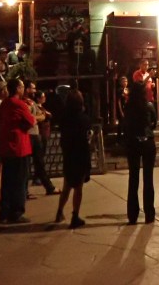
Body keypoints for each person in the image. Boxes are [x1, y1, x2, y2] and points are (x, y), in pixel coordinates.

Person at [0, 77, 34, 224]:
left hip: (7, 146)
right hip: (19, 147)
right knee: (20, 181)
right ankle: (17, 212)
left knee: (7, 181)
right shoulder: (19, 104)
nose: (24, 89)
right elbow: (31, 121)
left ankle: (4, 211)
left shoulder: (4, 103)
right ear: (18, 89)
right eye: (22, 87)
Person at [55, 88, 91, 229]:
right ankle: (75, 215)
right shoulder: (84, 119)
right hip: (80, 154)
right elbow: (87, 138)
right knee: (78, 187)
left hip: (69, 154)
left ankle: (59, 211)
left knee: (67, 185)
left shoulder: (64, 118)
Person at [122, 81, 158, 224]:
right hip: (147, 141)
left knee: (133, 178)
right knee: (148, 178)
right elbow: (154, 123)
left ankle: (133, 215)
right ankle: (149, 213)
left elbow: (126, 125)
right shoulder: (149, 106)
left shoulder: (128, 107)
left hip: (133, 142)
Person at [25, 82, 58, 196]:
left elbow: (42, 116)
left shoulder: (32, 102)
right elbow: (29, 118)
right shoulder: (24, 102)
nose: (35, 91)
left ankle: (49, 187)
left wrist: (36, 117)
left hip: (35, 134)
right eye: (33, 88)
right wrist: (36, 117)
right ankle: (25, 191)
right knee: (27, 165)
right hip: (29, 135)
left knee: (39, 162)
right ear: (27, 89)